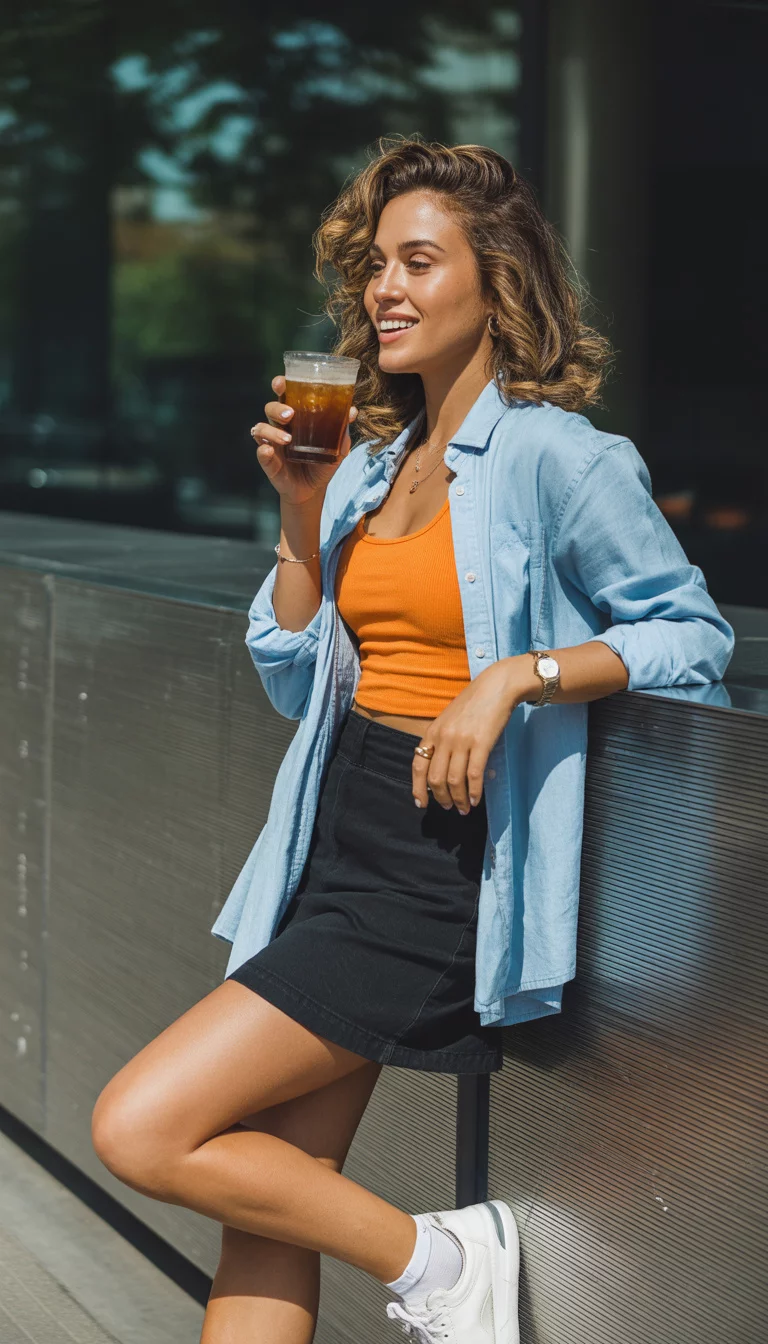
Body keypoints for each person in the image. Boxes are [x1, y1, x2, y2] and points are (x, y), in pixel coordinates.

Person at [90, 137, 734, 1344]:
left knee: (144, 1126)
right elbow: (295, 680)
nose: (385, 287)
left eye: (419, 261)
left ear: (497, 282)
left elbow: (690, 635)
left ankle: (441, 1261)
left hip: (439, 861)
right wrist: (299, 518)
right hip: (332, 834)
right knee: (269, 1204)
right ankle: (440, 1267)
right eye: (376, 265)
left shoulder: (558, 458)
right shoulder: (367, 469)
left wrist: (517, 679)